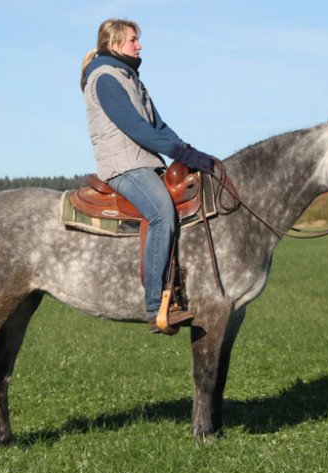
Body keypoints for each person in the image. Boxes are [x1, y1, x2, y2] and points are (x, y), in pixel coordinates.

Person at [80, 18, 214, 333]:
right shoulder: (105, 78)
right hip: (122, 166)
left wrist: (188, 151)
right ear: (113, 44)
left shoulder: (132, 79)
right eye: (133, 40)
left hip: (143, 162)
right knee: (162, 214)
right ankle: (156, 306)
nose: (139, 45)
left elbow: (158, 127)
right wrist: (179, 154)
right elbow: (136, 128)